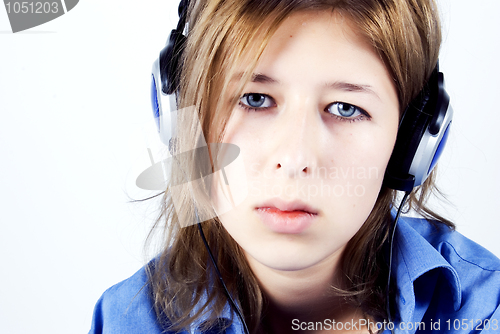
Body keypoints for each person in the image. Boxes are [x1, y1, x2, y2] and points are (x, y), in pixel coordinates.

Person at [89, 0, 500, 333]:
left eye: (346, 108)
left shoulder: (483, 310)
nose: (296, 160)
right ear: (184, 119)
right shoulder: (129, 320)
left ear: (411, 143)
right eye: (254, 99)